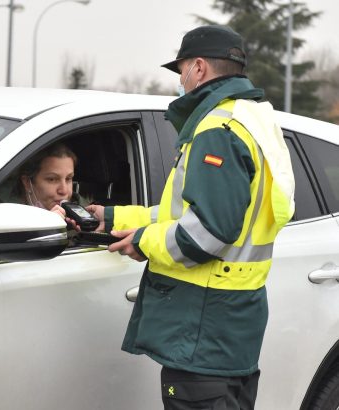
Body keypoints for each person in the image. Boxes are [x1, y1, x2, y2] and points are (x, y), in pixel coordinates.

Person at [87, 24, 295, 409]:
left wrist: (141, 241)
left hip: (202, 327)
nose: (180, 80)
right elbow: (185, 212)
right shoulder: (255, 119)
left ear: (198, 68)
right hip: (231, 326)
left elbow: (205, 234)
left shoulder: (218, 129)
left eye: (181, 69)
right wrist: (113, 216)